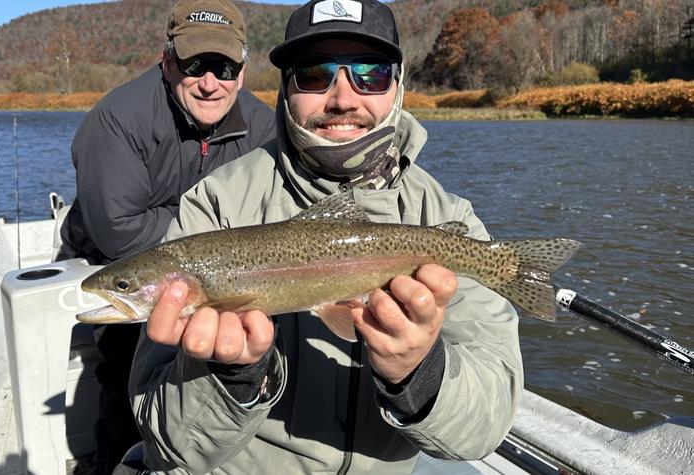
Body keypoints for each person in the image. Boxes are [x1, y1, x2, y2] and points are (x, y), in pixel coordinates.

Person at [129, 0, 523, 473]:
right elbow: (167, 444)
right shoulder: (215, 206)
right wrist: (233, 377)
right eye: (314, 75)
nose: (342, 98)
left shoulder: (443, 215)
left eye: (370, 75)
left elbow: (486, 429)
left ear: (397, 86)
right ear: (285, 88)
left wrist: (418, 373)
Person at [58, 0, 276, 472]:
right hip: (112, 266)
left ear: (242, 71)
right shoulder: (117, 119)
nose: (210, 81)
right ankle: (113, 456)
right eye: (194, 64)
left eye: (224, 66)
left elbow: (275, 215)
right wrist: (220, 229)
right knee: (123, 374)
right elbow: (120, 232)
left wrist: (218, 242)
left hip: (216, 269)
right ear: (167, 61)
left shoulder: (263, 126)